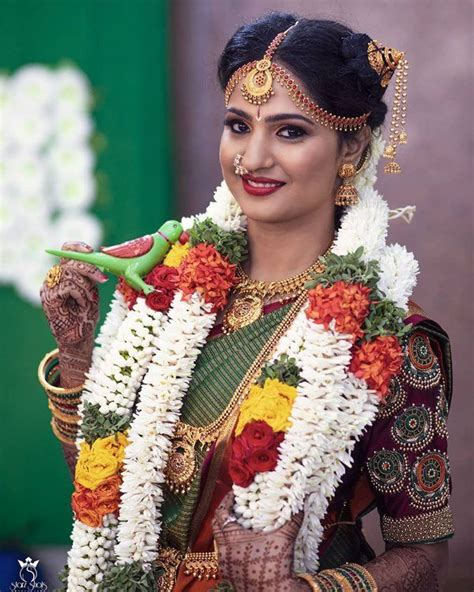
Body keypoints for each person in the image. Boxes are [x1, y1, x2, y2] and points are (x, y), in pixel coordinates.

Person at [38, 12, 454, 592]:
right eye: (238, 125)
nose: (252, 158)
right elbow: (99, 491)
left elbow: (425, 553)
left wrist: (306, 590)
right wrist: (78, 355)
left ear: (351, 148)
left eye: (290, 132)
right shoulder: (165, 289)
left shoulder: (390, 341)